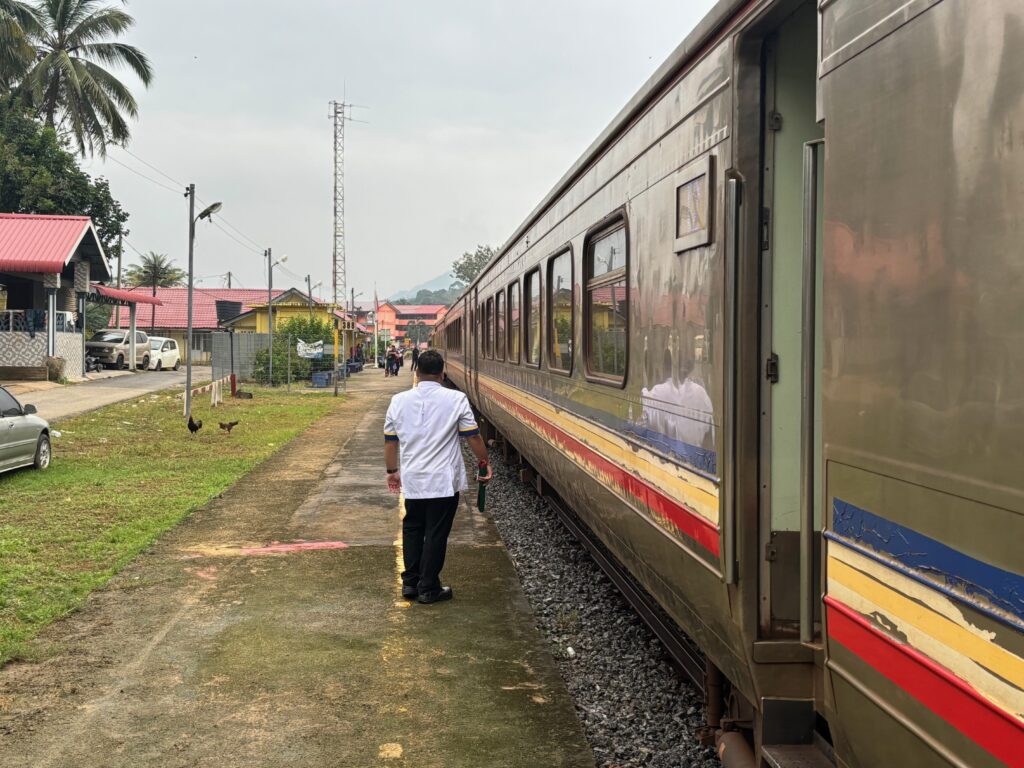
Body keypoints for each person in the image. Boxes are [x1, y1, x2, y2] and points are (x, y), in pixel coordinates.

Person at [383, 350, 492, 604]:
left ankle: (410, 583)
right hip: (443, 481)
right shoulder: (456, 399)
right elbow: (473, 437)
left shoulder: (398, 401)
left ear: (416, 373)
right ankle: (429, 587)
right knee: (435, 532)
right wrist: (484, 463)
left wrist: (392, 472)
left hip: (414, 479)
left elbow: (390, 441)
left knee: (412, 527)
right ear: (443, 373)